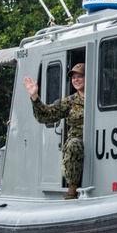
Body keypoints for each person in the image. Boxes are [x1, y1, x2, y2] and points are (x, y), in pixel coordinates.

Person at [23, 63, 86, 199]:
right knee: (73, 144)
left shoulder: (99, 98)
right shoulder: (70, 102)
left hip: (99, 142)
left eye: (80, 76)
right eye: (73, 77)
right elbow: (45, 115)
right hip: (77, 142)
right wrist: (35, 97)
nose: (76, 80)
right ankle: (72, 189)